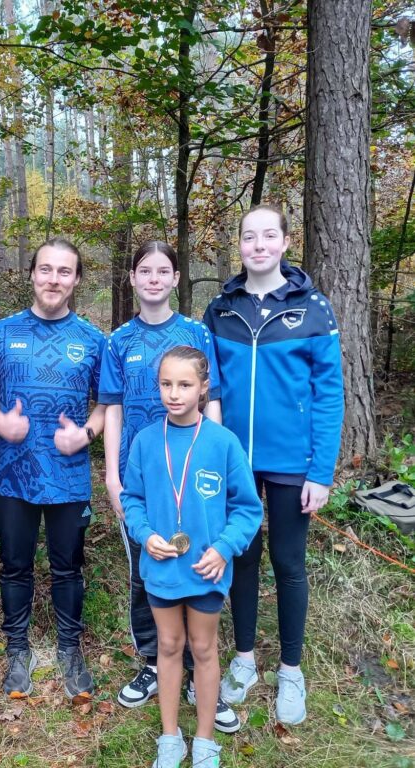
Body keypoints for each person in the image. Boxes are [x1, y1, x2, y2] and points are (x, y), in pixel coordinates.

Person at [203, 204, 344, 725]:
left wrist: (321, 471)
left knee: (287, 563)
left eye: (268, 236)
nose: (258, 245)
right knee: (240, 558)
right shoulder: (221, 308)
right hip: (234, 460)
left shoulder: (314, 309)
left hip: (292, 463)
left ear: (285, 242)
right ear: (239, 245)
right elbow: (208, 384)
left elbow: (330, 396)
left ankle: (290, 669)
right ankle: (243, 661)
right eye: (248, 237)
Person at [99, 241, 240, 734]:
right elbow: (112, 407)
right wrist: (113, 475)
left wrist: (218, 463)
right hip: (143, 474)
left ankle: (204, 681)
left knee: (201, 565)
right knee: (148, 568)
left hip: (194, 473)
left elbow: (214, 399)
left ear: (176, 278)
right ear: (133, 279)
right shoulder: (117, 340)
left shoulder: (196, 332)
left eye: (163, 271)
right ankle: (155, 663)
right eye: (144, 270)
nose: (154, 279)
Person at [122, 346, 262, 768]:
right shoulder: (147, 441)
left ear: (203, 388)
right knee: (168, 645)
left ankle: (204, 739)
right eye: (166, 384)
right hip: (162, 568)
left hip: (206, 569)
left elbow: (248, 508)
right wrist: (145, 536)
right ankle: (170, 736)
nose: (174, 393)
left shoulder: (222, 442)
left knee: (203, 648)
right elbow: (132, 500)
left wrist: (223, 548)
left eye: (184, 384)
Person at [0, 238, 105, 701]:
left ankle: (69, 649)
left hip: (69, 474)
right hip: (12, 473)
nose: (53, 279)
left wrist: (87, 435)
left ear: (76, 280)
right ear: (32, 274)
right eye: (46, 269)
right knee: (14, 566)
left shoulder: (95, 341)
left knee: (67, 568)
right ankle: (18, 650)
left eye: (64, 271)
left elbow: (108, 405)